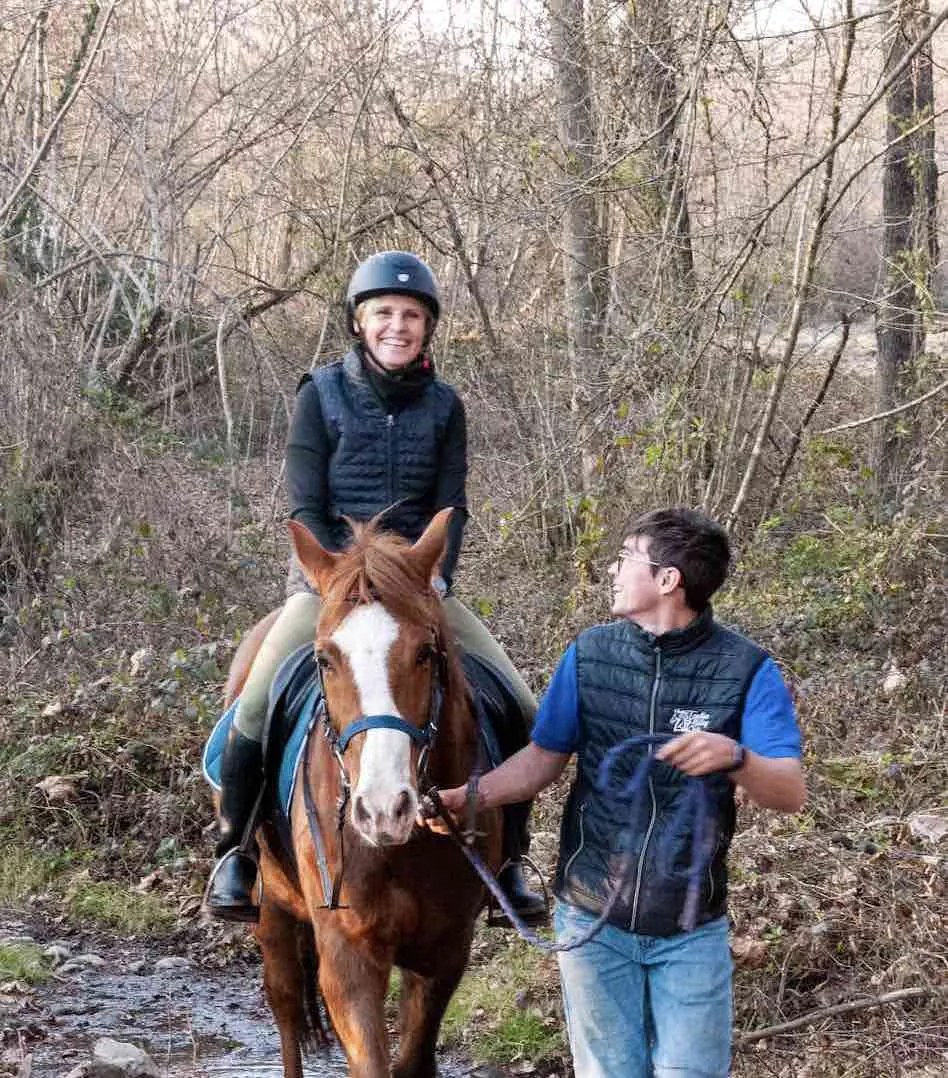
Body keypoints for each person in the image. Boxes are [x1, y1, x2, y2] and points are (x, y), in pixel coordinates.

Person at [206, 250, 545, 924]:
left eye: (412, 315)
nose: (398, 325)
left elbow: (454, 505)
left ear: (428, 327)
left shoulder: (446, 406)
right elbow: (304, 506)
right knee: (251, 706)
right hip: (330, 587)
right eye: (384, 313)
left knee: (523, 706)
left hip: (416, 588)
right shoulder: (320, 395)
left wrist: (436, 577)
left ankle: (513, 859)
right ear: (360, 322)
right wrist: (338, 575)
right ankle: (236, 850)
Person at [435, 507, 805, 1078]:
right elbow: (541, 761)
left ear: (667, 580)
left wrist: (736, 758)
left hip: (690, 927)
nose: (611, 569)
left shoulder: (748, 670)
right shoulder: (589, 654)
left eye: (625, 558)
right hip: (590, 919)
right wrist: (470, 795)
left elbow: (789, 790)